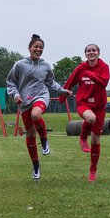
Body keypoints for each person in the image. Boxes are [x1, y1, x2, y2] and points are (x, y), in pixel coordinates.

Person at [6, 34, 68, 181]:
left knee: (36, 115)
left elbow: (51, 83)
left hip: (41, 95)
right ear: (30, 48)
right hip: (24, 101)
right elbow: (10, 82)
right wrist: (15, 95)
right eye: (36, 47)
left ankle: (45, 140)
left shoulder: (46, 66)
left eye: (41, 47)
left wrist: (61, 90)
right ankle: (35, 165)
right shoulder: (20, 65)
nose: (38, 49)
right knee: (30, 134)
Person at [62, 43, 110, 182]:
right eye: (88, 51)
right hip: (84, 103)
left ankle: (92, 171)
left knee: (96, 139)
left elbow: (104, 82)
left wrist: (90, 74)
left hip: (99, 106)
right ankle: (83, 138)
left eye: (93, 50)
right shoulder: (80, 68)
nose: (91, 52)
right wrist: (62, 96)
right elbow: (70, 81)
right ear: (85, 54)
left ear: (98, 53)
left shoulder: (104, 67)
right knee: (90, 118)